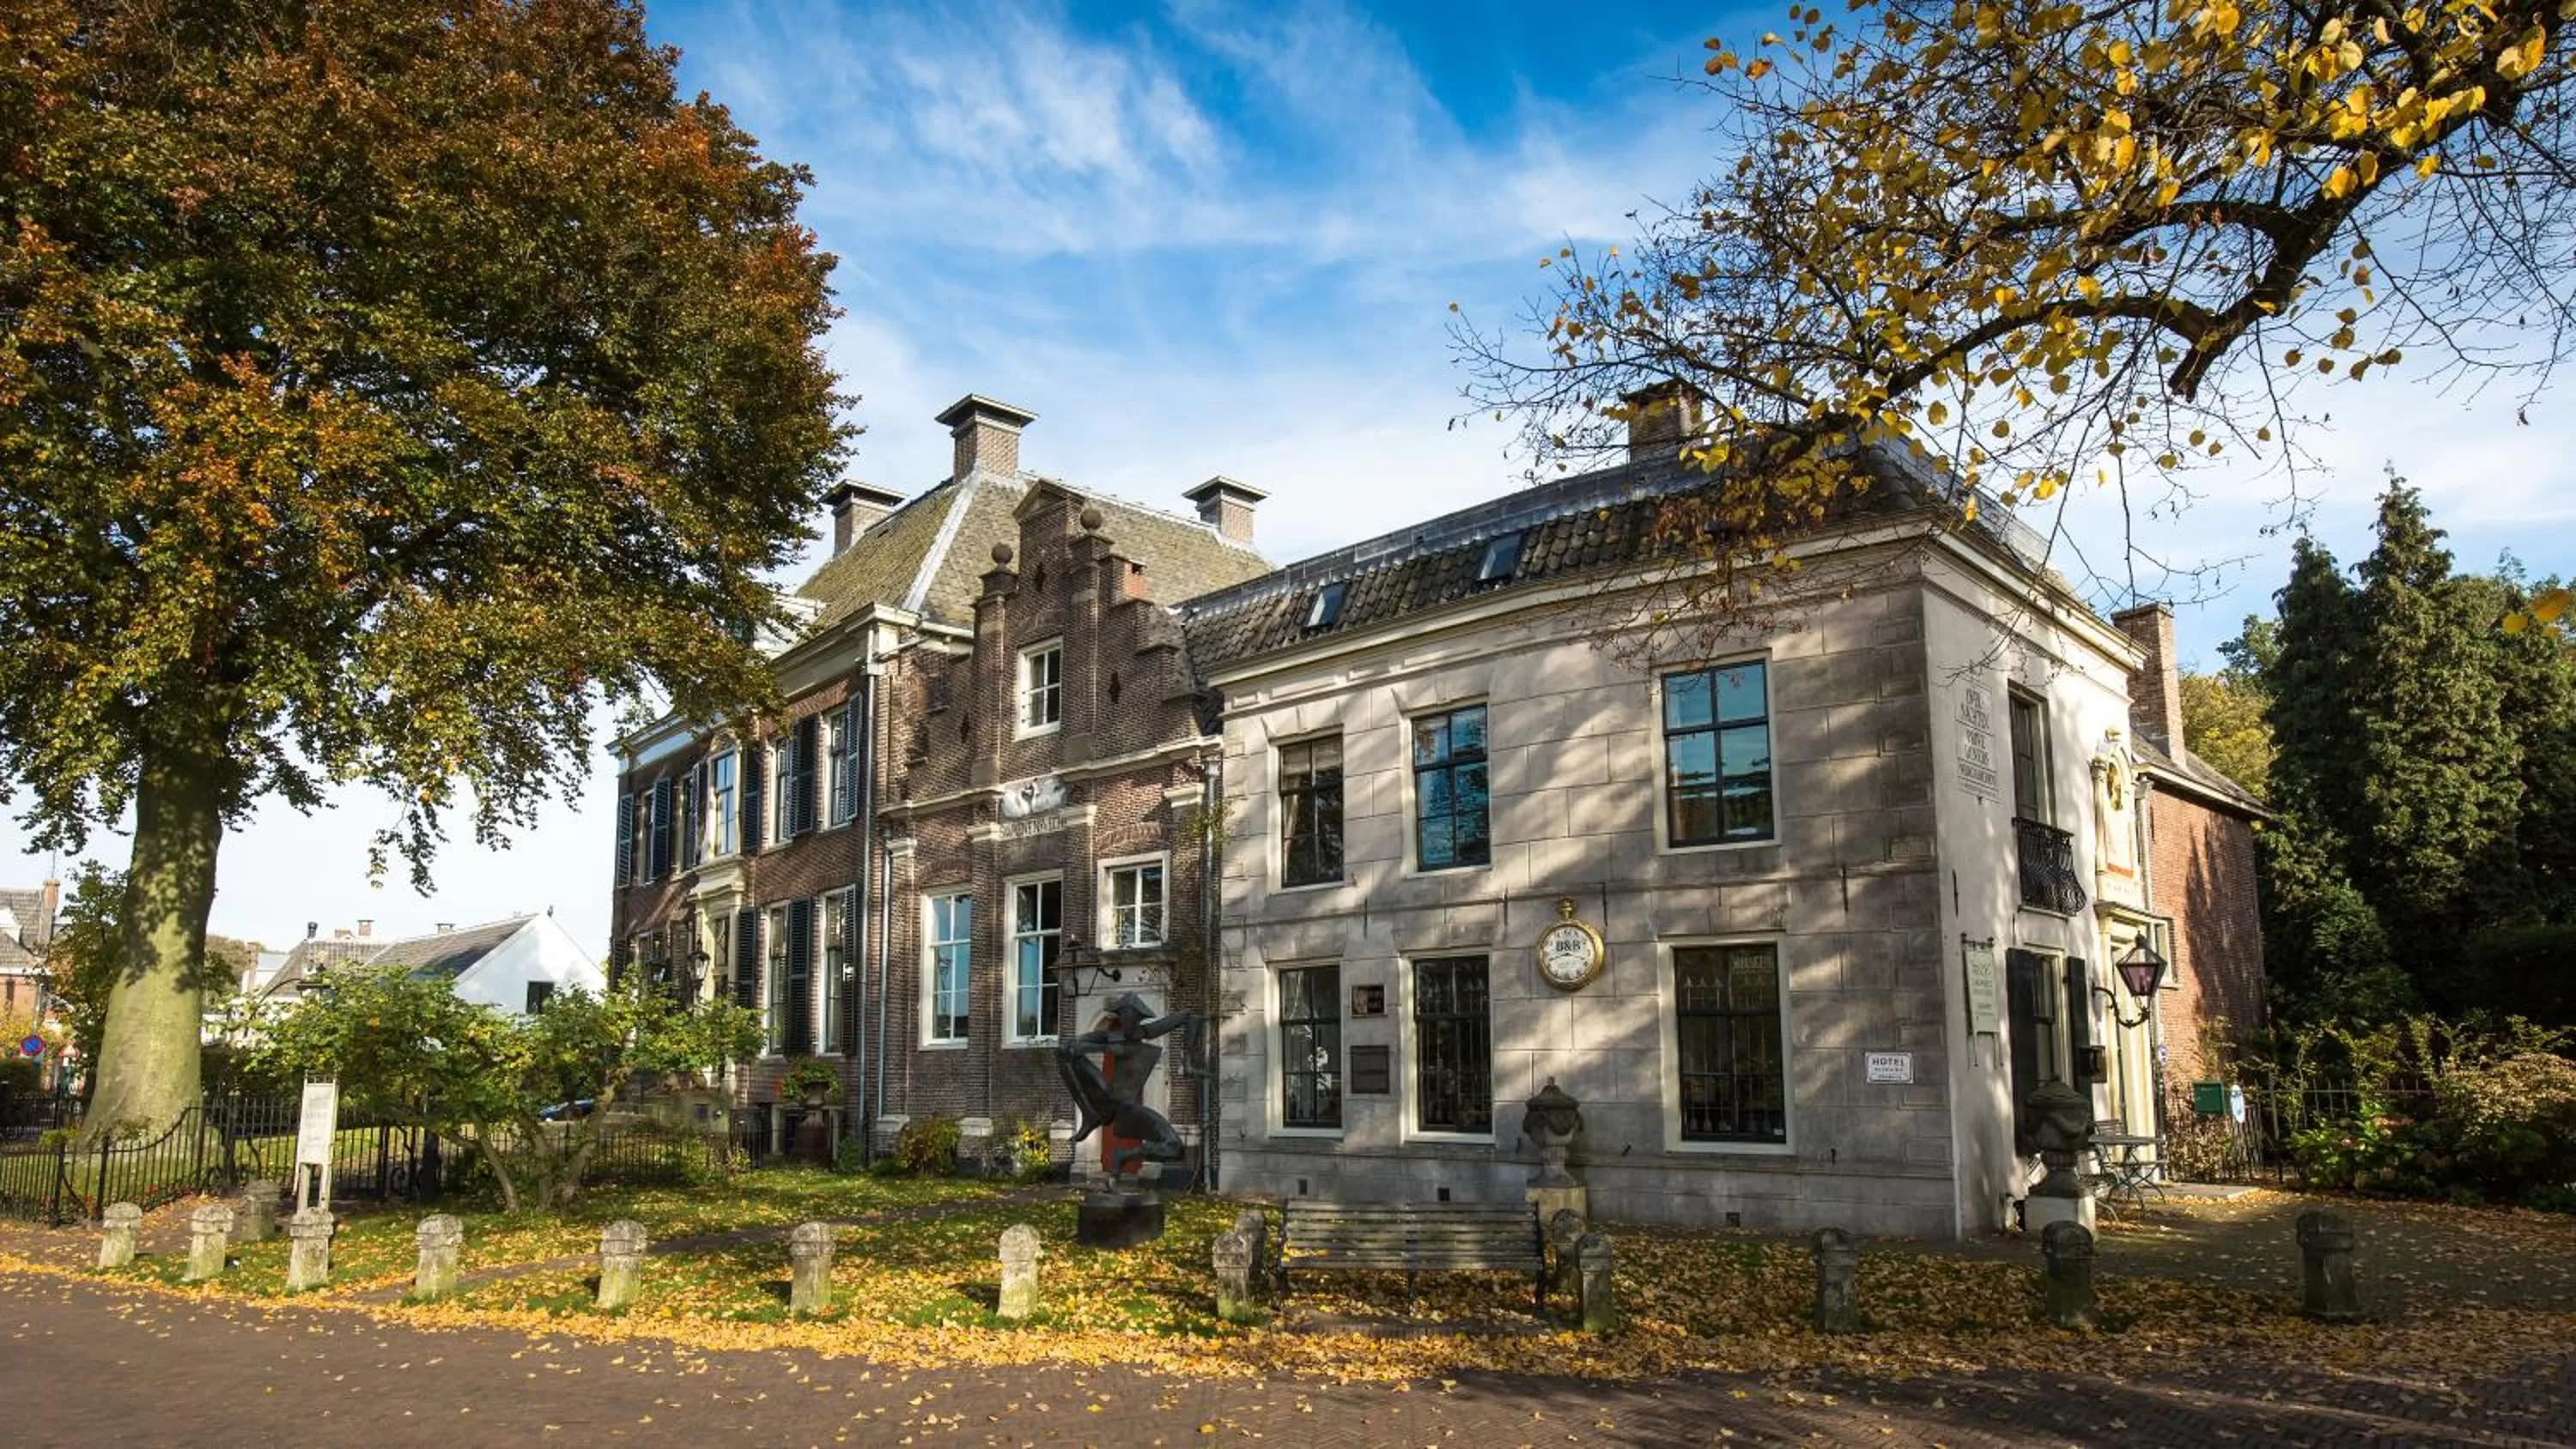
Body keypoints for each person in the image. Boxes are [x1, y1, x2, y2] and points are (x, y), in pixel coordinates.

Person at [1055, 992, 1196, 1178]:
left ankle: (1123, 1156)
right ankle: (1089, 1116)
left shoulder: (1147, 1033)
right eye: (1122, 1016)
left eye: (1128, 1016)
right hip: (1108, 1100)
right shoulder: (1112, 1037)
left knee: (1174, 1146)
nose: (1124, 1020)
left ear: (1137, 1018)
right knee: (1063, 1053)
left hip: (1127, 1109)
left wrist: (1186, 1060)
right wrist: (1078, 1044)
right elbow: (1085, 1041)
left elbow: (1189, 1017)